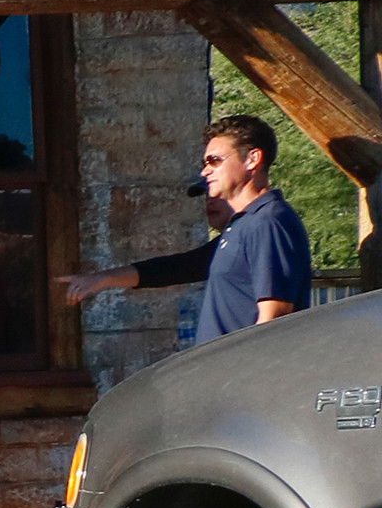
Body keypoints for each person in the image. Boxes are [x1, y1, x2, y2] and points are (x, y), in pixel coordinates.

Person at [58, 115, 311, 340]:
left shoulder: (268, 222)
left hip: (243, 382)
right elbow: (179, 267)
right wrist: (103, 278)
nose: (206, 171)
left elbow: (274, 318)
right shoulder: (244, 224)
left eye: (214, 161)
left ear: (252, 159)